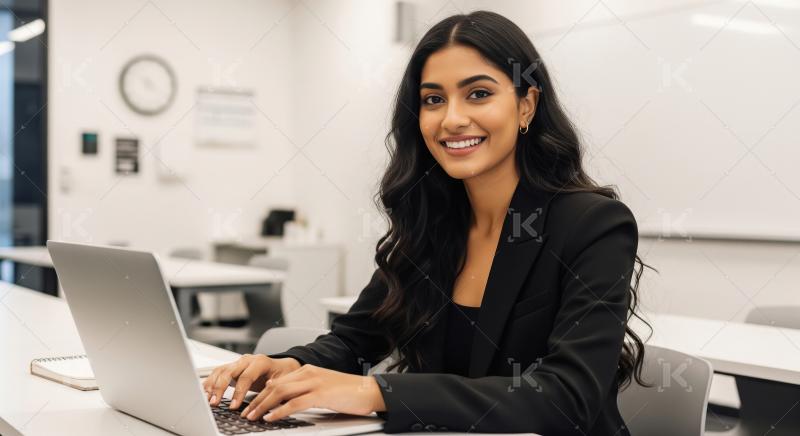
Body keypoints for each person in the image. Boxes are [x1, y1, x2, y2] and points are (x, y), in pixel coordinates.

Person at [203, 10, 653, 435]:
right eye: (433, 99)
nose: (453, 119)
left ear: (526, 106)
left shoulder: (593, 225)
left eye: (478, 93)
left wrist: (376, 391)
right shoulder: (433, 223)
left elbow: (566, 397)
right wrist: (290, 365)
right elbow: (355, 340)